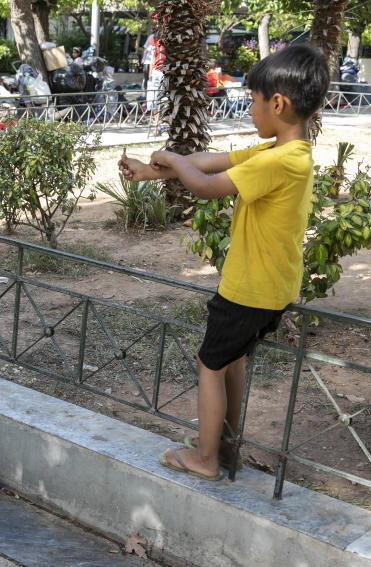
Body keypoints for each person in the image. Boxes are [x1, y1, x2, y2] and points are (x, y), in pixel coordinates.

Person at [118, 44, 329, 480]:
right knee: (231, 361)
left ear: (278, 103)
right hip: (271, 288)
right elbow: (208, 163)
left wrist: (174, 159)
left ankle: (206, 459)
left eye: (252, 99)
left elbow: (207, 186)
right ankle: (225, 444)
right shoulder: (284, 153)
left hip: (249, 288)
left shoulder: (279, 161)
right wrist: (150, 169)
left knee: (210, 364)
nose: (249, 108)